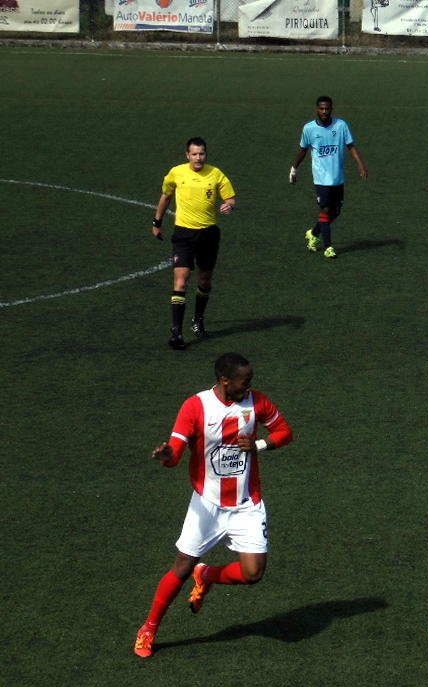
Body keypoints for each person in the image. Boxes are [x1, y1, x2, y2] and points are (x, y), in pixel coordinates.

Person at [134, 352, 293, 659]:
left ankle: (207, 576)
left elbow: (285, 432)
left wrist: (259, 444)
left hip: (246, 504)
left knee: (253, 573)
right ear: (225, 380)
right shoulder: (196, 406)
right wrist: (167, 456)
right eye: (244, 381)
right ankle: (149, 628)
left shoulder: (257, 402)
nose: (249, 386)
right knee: (182, 566)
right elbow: (175, 452)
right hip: (207, 504)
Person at [152, 137, 236, 350]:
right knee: (180, 281)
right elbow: (165, 196)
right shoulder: (176, 173)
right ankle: (176, 332)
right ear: (187, 155)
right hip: (184, 235)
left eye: (202, 154)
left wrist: (229, 205)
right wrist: (157, 222)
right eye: (195, 154)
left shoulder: (215, 174)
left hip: (208, 235)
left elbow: (230, 198)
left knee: (204, 280)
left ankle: (198, 319)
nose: (198, 158)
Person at [289, 95, 368, 259]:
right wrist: (294, 169)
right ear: (317, 109)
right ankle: (328, 247)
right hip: (321, 178)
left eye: (327, 108)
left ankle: (313, 233)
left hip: (337, 177)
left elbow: (351, 146)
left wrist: (360, 164)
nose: (324, 111)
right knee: (325, 210)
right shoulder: (309, 129)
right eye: (321, 108)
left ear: (331, 109)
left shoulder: (341, 125)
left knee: (336, 211)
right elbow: (303, 150)